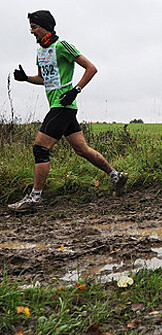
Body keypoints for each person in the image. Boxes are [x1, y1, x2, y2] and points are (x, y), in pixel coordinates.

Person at [8, 10, 127, 212]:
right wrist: (26, 78)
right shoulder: (41, 52)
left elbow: (91, 68)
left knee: (40, 149)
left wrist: (75, 90)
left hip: (63, 106)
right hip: (59, 106)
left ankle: (35, 199)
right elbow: (45, 79)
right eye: (30, 27)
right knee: (82, 149)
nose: (31, 31)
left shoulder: (62, 46)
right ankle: (116, 175)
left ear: (45, 26)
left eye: (34, 27)